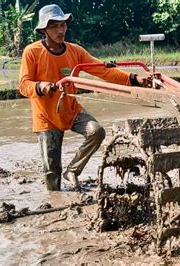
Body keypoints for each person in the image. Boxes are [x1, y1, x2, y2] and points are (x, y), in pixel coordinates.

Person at [19, 4, 145, 191]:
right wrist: (41, 86)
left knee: (96, 132)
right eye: (54, 26)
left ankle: (73, 170)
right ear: (44, 30)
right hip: (46, 117)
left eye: (63, 25)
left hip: (71, 109)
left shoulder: (75, 51)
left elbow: (102, 70)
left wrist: (134, 79)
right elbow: (23, 85)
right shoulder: (32, 52)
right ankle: (55, 201)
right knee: (52, 174)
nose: (60, 30)